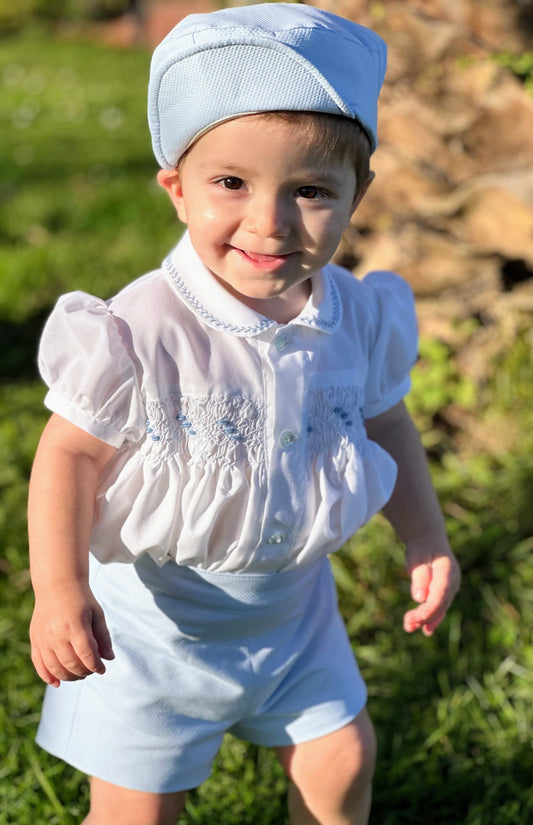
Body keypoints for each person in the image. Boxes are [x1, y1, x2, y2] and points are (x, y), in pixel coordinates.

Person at [28, 4, 460, 824]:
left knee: (341, 762)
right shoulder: (141, 328)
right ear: (177, 189)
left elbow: (386, 422)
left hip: (296, 616)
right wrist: (59, 588)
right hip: (154, 633)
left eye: (309, 190)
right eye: (231, 183)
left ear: (355, 194)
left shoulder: (356, 317)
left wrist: (423, 534)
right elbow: (69, 456)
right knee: (138, 810)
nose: (268, 222)